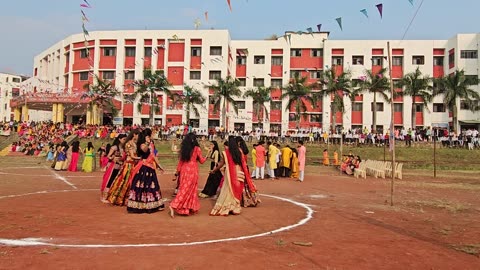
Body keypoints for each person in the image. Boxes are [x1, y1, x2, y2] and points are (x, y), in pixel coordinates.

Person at [210, 137, 258, 216]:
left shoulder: (225, 152)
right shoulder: (240, 151)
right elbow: (244, 164)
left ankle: (227, 207)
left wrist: (214, 170)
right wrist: (247, 175)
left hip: (229, 174)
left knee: (228, 190)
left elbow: (221, 164)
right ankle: (235, 208)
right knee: (237, 190)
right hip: (239, 173)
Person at [127, 128, 165, 213]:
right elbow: (144, 150)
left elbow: (154, 156)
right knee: (142, 186)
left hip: (150, 168)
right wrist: (148, 143)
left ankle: (154, 204)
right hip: (143, 168)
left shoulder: (151, 144)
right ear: (147, 136)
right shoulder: (142, 144)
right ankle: (140, 205)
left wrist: (160, 166)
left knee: (152, 186)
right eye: (150, 135)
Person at [169, 133, 207, 218]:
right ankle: (174, 205)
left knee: (184, 188)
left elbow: (180, 163)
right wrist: (207, 156)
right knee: (190, 190)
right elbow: (201, 161)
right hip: (193, 171)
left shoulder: (184, 149)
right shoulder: (197, 149)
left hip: (184, 170)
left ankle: (186, 208)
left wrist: (176, 174)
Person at [107, 129, 141, 206]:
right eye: (138, 135)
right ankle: (120, 198)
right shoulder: (129, 143)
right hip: (129, 165)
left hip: (133, 164)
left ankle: (127, 198)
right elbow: (132, 156)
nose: (138, 137)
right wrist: (141, 158)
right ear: (134, 135)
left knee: (129, 182)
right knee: (125, 181)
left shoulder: (133, 143)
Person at [100, 134, 127, 202]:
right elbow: (108, 156)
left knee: (116, 181)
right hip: (113, 166)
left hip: (120, 166)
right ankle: (104, 197)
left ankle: (111, 196)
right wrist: (113, 158)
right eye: (124, 139)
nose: (125, 140)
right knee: (109, 180)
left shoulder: (124, 148)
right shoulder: (114, 147)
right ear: (119, 139)